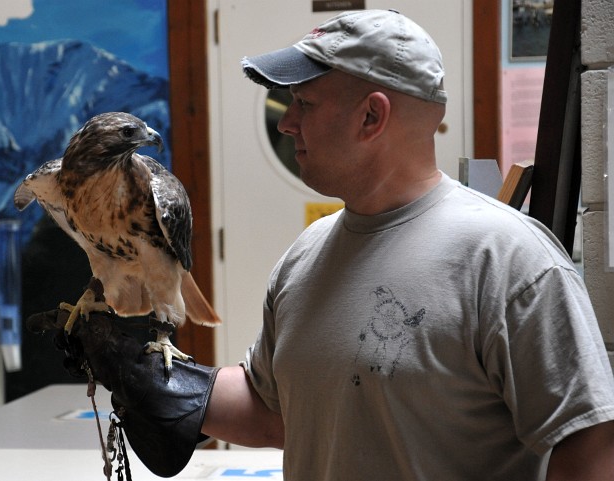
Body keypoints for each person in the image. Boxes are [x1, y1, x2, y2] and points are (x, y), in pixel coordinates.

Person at [198, 9, 614, 480]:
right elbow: (271, 406)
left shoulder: (508, 260)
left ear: (372, 115)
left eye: (305, 104)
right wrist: (158, 377)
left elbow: (591, 448)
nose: (286, 123)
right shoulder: (305, 256)